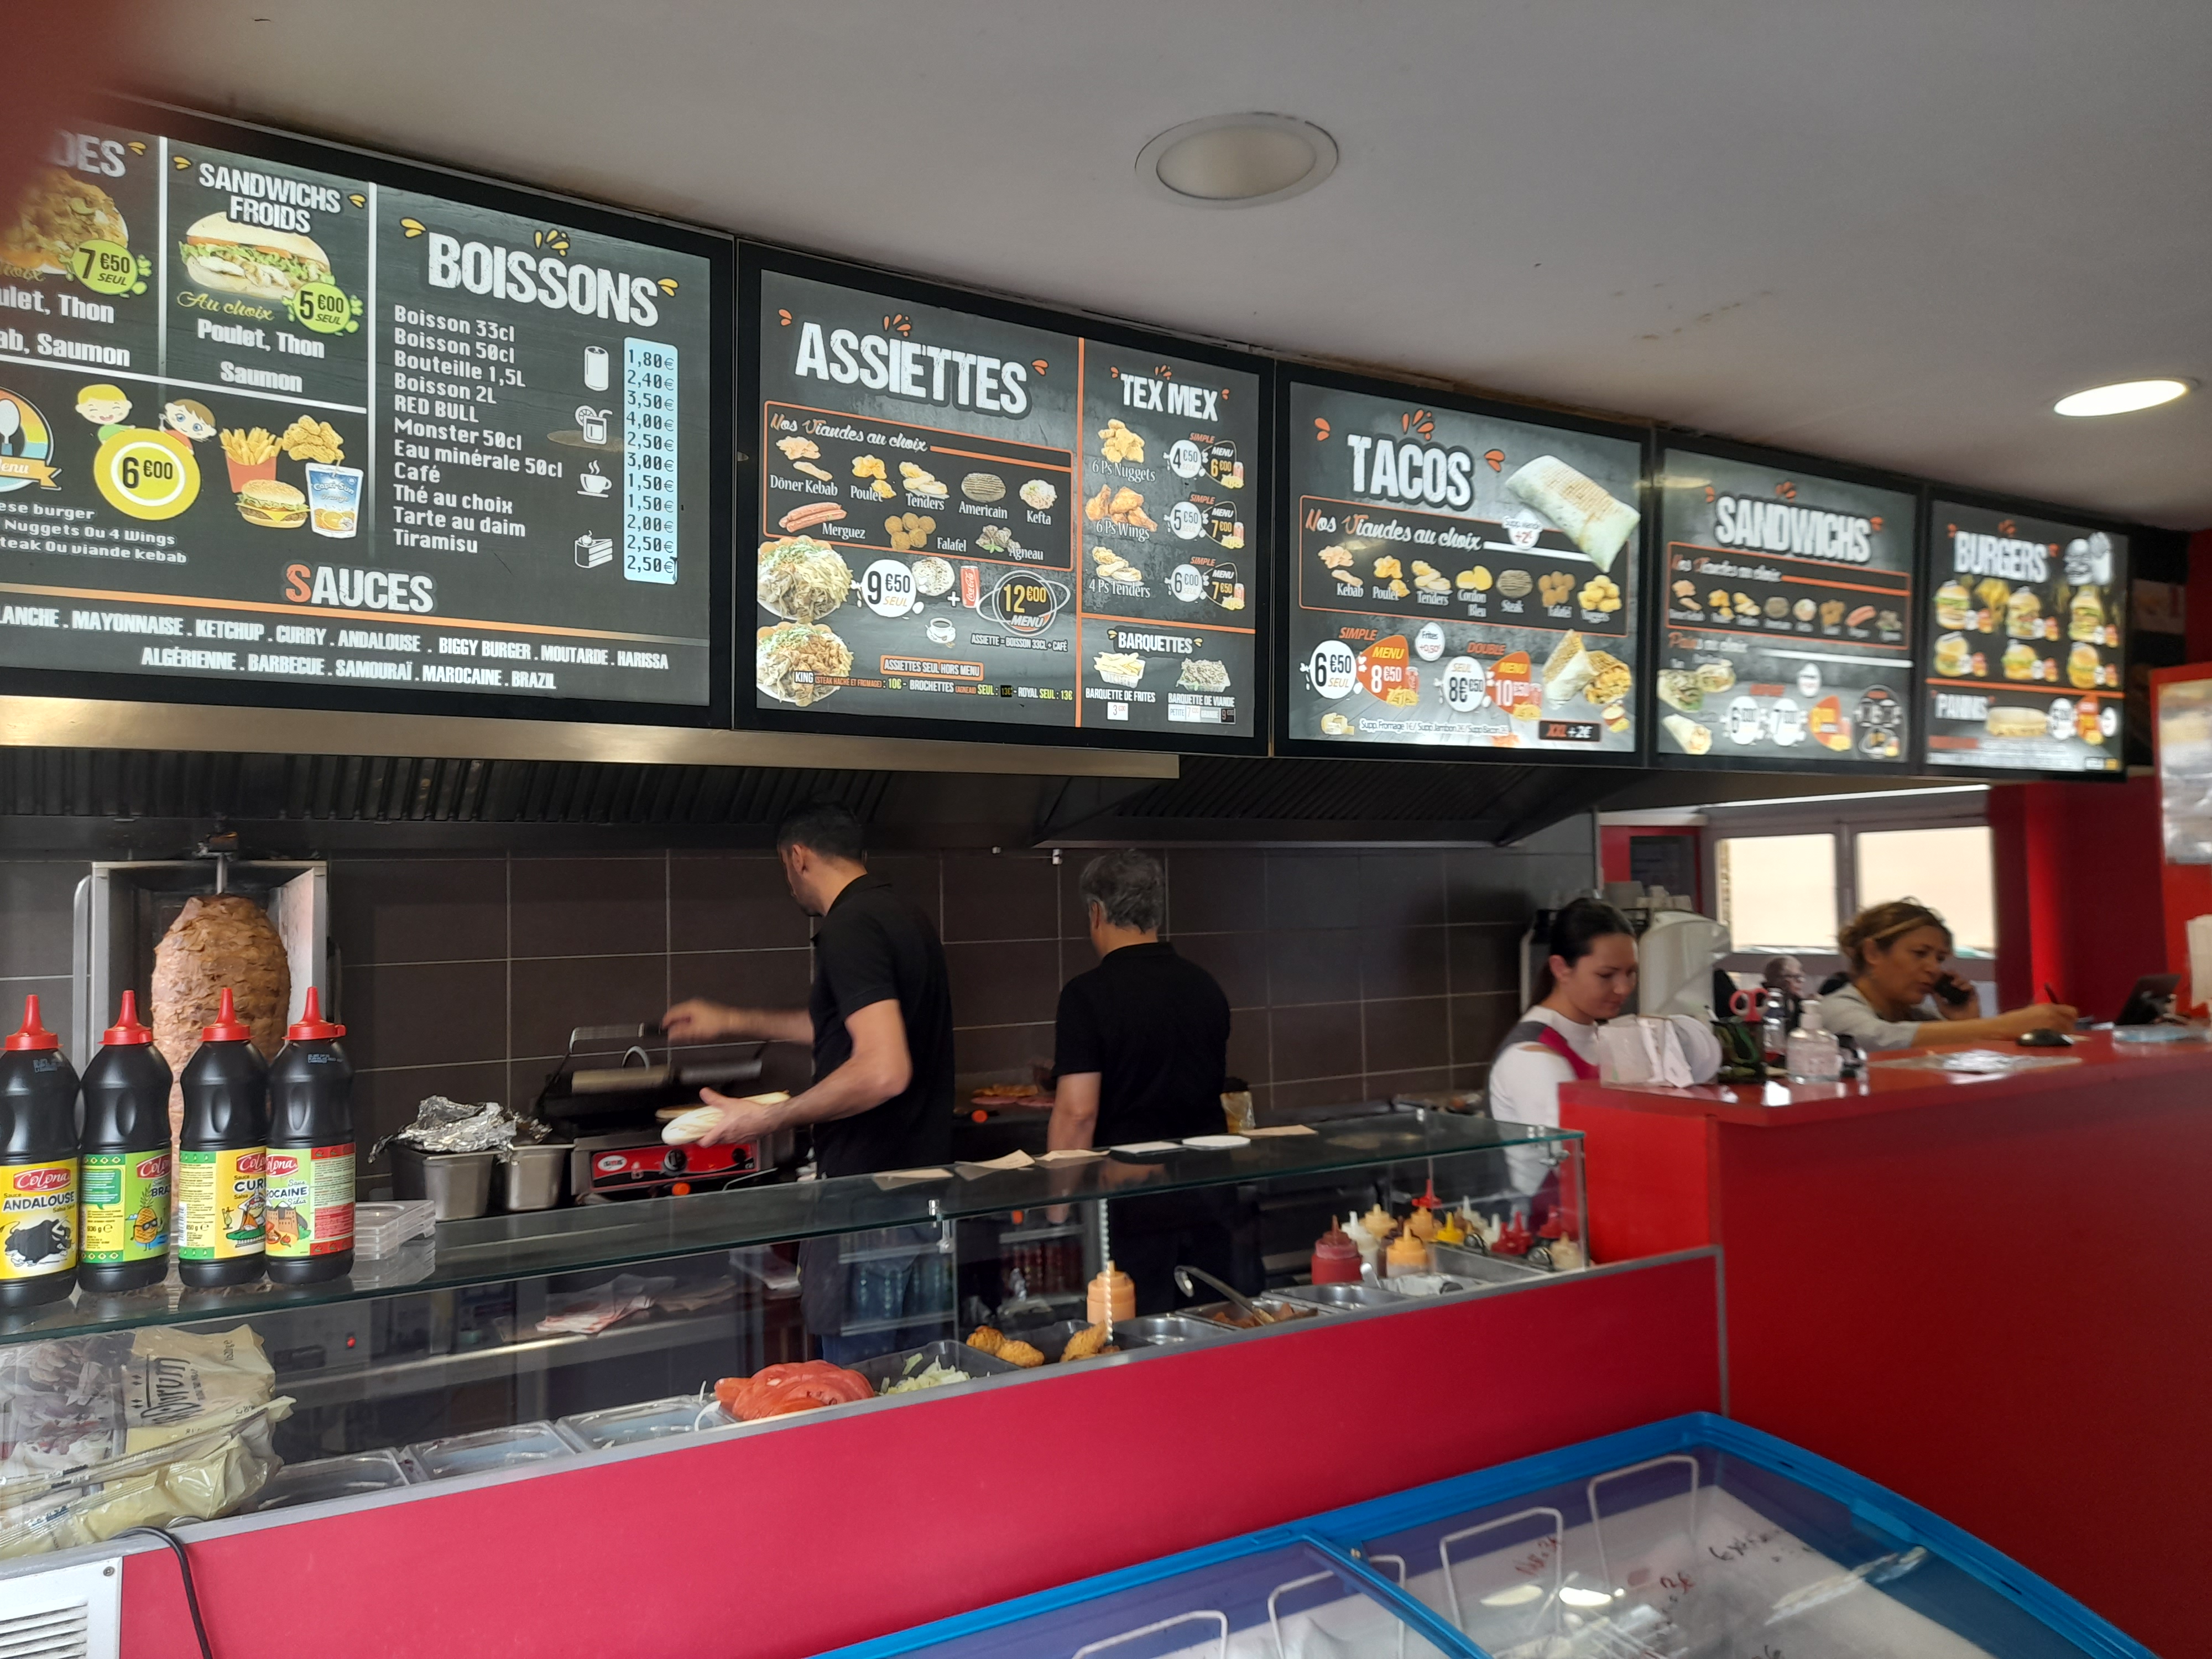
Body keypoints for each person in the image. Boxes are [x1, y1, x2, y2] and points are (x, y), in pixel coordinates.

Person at [662, 801, 954, 1360]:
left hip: (867, 1205)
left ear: (797, 857)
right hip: (922, 1200)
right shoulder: (903, 916)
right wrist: (733, 1020)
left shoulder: (849, 926)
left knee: (855, 1390)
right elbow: (849, 1026)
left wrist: (767, 1117)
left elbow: (884, 1070)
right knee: (923, 1383)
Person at [1046, 849, 1240, 1314]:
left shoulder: (1086, 996)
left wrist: (1057, 1208)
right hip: (1209, 1198)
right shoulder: (1205, 985)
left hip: (1132, 1207)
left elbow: (1078, 1113)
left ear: (1096, 913)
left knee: (1136, 1338)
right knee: (1215, 1327)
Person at [1489, 898, 1723, 1211]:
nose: (1623, 988)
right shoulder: (1533, 1057)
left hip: (1604, 1211)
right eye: (1606, 975)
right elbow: (1577, 1162)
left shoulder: (1602, 1036)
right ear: (1561, 968)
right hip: (1550, 1227)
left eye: (1631, 973)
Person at [1822, 899, 2075, 1051]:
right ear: (1873, 953)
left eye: (1940, 959)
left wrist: (1965, 1022)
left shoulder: (1923, 1018)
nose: (1934, 968)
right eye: (1920, 954)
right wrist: (2004, 1026)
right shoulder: (1835, 1008)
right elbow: (1877, 1039)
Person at [1761, 956, 1807, 1029]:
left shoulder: (1798, 1002)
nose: (1801, 981)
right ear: (1779, 979)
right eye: (1797, 977)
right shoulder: (1760, 1001)